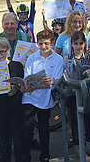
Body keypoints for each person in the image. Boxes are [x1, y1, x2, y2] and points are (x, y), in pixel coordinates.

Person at [20, 30, 63, 162]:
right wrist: (25, 85)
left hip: (45, 98)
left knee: (44, 129)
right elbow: (27, 75)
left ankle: (45, 155)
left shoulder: (58, 59)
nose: (43, 47)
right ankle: (25, 155)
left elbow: (58, 78)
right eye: (40, 44)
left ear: (52, 43)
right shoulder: (32, 57)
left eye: (46, 44)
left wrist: (52, 81)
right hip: (30, 97)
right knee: (26, 127)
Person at [0, 38, 25, 162]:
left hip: (15, 108)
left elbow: (23, 85)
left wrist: (18, 88)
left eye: (1, 52)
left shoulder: (16, 65)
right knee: (3, 140)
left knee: (18, 140)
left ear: (8, 51)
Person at [66, 31, 90, 156]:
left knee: (88, 117)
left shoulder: (88, 56)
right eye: (76, 44)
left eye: (81, 43)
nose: (78, 46)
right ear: (72, 45)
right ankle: (77, 145)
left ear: (84, 44)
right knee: (74, 118)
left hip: (86, 90)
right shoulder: (68, 58)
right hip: (73, 92)